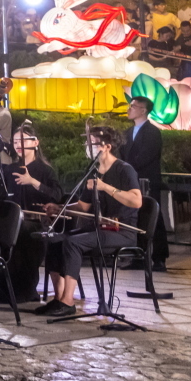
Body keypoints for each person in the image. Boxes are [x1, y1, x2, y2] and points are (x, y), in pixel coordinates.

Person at [37, 126, 142, 317]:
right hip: (99, 228)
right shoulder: (93, 173)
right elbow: (83, 207)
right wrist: (60, 208)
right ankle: (59, 298)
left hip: (121, 231)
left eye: (91, 143)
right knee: (54, 240)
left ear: (106, 146)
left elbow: (136, 200)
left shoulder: (124, 170)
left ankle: (69, 301)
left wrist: (105, 187)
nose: (87, 147)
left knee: (73, 242)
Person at [4, 123, 61, 300]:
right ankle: (2, 287)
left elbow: (57, 196)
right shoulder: (10, 169)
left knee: (24, 233)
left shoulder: (45, 170)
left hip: (37, 221)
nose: (18, 145)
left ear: (35, 142)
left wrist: (33, 182)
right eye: (15, 142)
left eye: (22, 140)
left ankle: (25, 289)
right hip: (14, 219)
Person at [120, 95, 165, 272]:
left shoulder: (153, 133)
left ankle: (160, 258)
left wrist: (129, 170)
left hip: (147, 181)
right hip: (132, 182)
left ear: (143, 110)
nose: (129, 109)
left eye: (133, 106)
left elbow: (146, 157)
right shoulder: (127, 133)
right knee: (134, 218)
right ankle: (137, 256)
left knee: (154, 217)